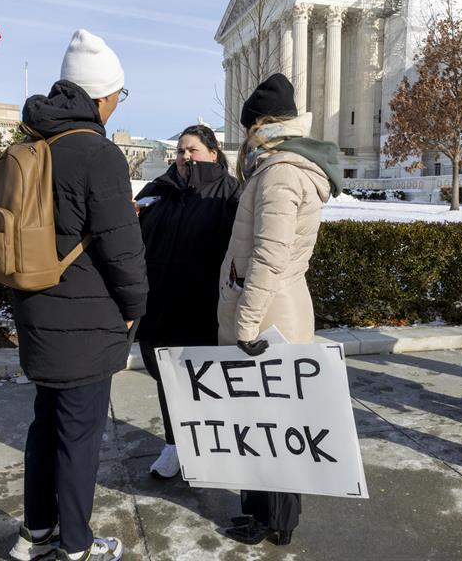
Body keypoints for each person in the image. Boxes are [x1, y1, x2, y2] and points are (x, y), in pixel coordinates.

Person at [8, 29, 147, 561]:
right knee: (79, 437)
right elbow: (122, 248)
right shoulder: (98, 154)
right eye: (118, 94)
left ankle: (37, 533)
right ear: (103, 95)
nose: (116, 104)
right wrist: (135, 308)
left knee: (45, 425)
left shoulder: (32, 145)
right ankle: (76, 546)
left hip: (36, 309)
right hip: (86, 320)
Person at [217, 73, 342, 546]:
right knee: (262, 420)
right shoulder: (282, 166)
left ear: (260, 125)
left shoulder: (281, 171)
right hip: (272, 306)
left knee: (272, 422)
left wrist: (246, 324)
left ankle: (276, 521)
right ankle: (261, 513)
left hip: (269, 314)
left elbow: (270, 256)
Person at [135, 124, 240, 479]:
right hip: (158, 307)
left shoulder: (228, 192)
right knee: (167, 380)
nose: (185, 156)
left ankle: (211, 447)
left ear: (213, 153)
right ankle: (174, 445)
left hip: (202, 308)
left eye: (192, 150)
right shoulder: (158, 189)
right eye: (181, 150)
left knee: (206, 384)